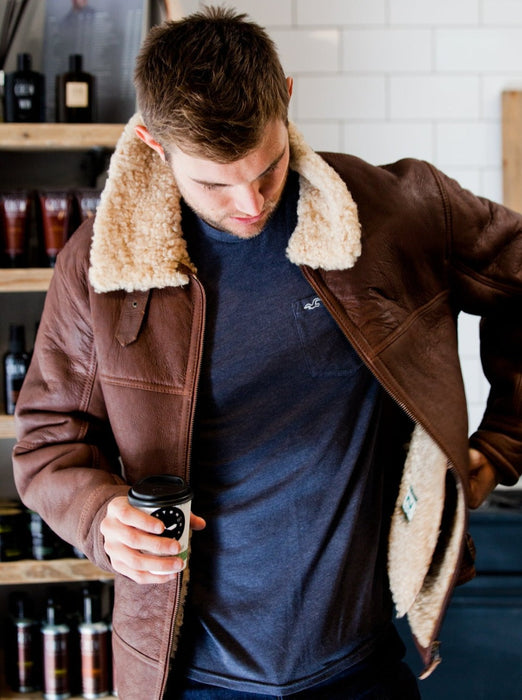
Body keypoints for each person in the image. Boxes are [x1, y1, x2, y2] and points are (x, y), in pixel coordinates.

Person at [12, 6, 522, 700]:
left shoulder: (398, 210)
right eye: (214, 184)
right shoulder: (99, 270)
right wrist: (100, 514)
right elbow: (45, 445)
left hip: (363, 667)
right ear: (154, 146)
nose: (249, 204)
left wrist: (500, 445)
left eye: (268, 168)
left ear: (285, 94)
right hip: (187, 678)